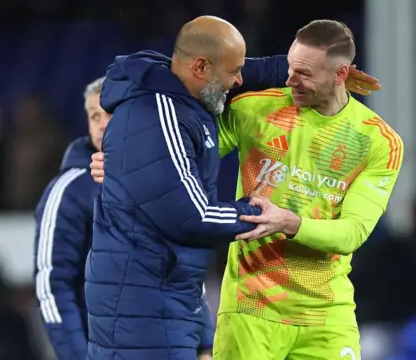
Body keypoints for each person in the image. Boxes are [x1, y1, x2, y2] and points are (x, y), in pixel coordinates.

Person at [85, 15, 380, 360]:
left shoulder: (188, 99)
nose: (239, 80)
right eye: (232, 73)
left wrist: (323, 68)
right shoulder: (165, 113)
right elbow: (192, 214)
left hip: (173, 299)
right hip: (147, 305)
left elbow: (353, 232)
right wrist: (266, 216)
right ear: (200, 68)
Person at [33, 77, 110, 360]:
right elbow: (52, 284)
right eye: (94, 116)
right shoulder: (69, 191)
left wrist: (202, 343)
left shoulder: (157, 182)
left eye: (109, 112)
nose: (102, 124)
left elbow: (181, 270)